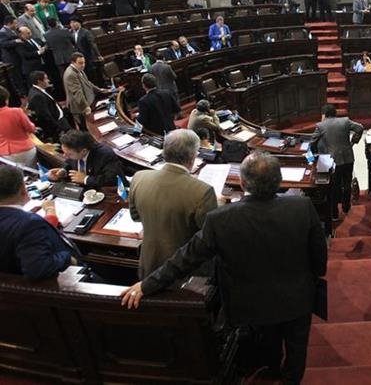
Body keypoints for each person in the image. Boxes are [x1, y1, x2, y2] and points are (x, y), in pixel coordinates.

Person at [121, 152, 327, 384]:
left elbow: (185, 258)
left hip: (251, 302)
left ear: (242, 182)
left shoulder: (220, 219)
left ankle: (271, 371)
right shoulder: (302, 207)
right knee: (297, 348)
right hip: (298, 297)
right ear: (279, 181)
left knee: (266, 343)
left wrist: (148, 284)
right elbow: (319, 257)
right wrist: (312, 277)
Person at [127, 129, 218, 278]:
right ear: (193, 156)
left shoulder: (138, 177)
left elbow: (135, 217)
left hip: (149, 265)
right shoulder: (203, 192)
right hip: (185, 272)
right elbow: (209, 239)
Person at [0, 166, 81, 280]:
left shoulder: (25, 222)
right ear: (24, 190)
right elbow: (39, 269)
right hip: (60, 285)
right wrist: (68, 258)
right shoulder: (28, 223)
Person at [310, 104, 364, 230]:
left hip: (334, 161)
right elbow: (360, 128)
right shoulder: (345, 121)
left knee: (334, 187)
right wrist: (353, 141)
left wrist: (315, 155)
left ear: (324, 114)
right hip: (348, 157)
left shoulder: (320, 125)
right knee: (347, 182)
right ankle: (346, 207)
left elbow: (312, 142)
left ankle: (334, 214)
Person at [47, 130, 125, 190]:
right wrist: (63, 171)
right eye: (64, 152)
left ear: (83, 151)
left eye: (69, 154)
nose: (65, 156)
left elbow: (112, 180)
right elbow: (69, 164)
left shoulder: (105, 155)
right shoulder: (74, 151)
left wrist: (86, 179)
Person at [63, 53, 108, 130]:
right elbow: (77, 93)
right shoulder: (70, 74)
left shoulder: (78, 69)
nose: (83, 65)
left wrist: (99, 90)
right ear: (73, 63)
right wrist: (85, 107)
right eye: (80, 63)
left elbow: (87, 82)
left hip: (87, 103)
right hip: (80, 108)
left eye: (84, 62)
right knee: (87, 129)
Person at [27, 70, 69, 141]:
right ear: (39, 81)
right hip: (58, 125)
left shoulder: (39, 90)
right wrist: (58, 128)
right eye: (46, 79)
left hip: (61, 119)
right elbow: (45, 115)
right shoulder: (37, 96)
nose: (48, 80)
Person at [0, 86, 37, 166]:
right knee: (33, 175)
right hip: (25, 151)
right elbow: (30, 128)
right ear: (6, 100)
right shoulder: (16, 111)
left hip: (5, 155)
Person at [0, 16, 23, 98]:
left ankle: (23, 90)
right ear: (10, 23)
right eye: (15, 23)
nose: (16, 24)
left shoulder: (13, 30)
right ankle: (21, 93)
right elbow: (3, 44)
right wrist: (15, 41)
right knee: (16, 75)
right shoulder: (2, 32)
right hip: (10, 58)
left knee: (20, 74)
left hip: (17, 55)